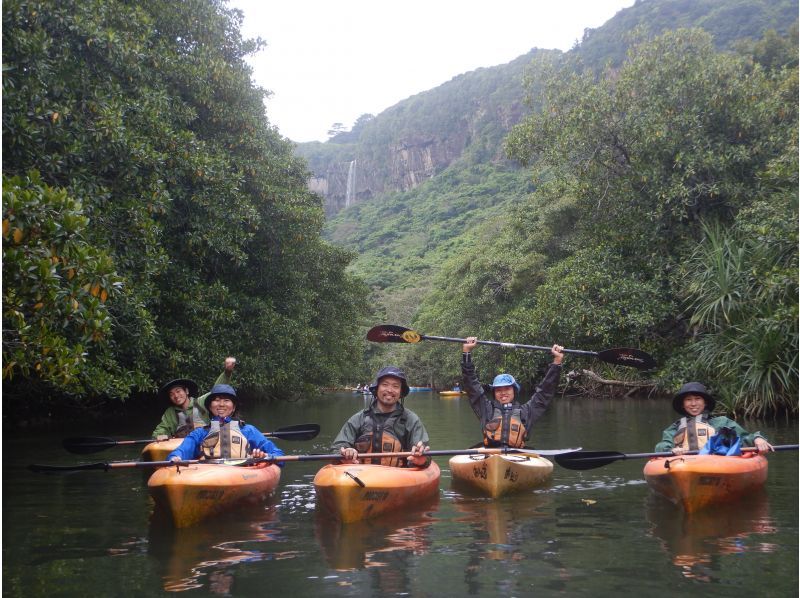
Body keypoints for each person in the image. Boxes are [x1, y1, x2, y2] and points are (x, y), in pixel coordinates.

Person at [461, 337, 564, 448]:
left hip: (517, 455)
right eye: (499, 390)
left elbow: (544, 392)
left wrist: (557, 361)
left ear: (514, 391)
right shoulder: (487, 409)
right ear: (494, 393)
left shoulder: (526, 412)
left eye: (507, 389)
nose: (503, 393)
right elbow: (472, 386)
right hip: (491, 453)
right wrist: (467, 352)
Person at [332, 366, 431, 467]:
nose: (389, 390)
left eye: (395, 386)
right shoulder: (359, 418)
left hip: (399, 478)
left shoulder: (410, 419)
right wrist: (346, 452)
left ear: (401, 392)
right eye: (385, 385)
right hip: (361, 476)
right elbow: (337, 448)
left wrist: (421, 457)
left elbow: (425, 456)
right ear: (376, 388)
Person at [167, 383, 285, 463]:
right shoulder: (200, 433)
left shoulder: (247, 430)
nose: (221, 404)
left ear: (233, 408)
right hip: (209, 475)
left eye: (226, 400)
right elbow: (182, 450)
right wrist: (175, 457)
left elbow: (278, 453)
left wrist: (265, 456)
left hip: (241, 474)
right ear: (210, 407)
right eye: (217, 400)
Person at [655, 382, 773, 454]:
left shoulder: (722, 422)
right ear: (683, 404)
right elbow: (661, 446)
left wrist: (757, 438)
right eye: (688, 400)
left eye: (697, 399)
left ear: (705, 403)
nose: (693, 404)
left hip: (717, 463)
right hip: (684, 464)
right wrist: (671, 450)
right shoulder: (676, 427)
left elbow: (745, 438)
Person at [152, 357, 238, 440]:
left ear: (186, 391)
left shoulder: (201, 402)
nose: (176, 396)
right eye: (171, 394)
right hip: (182, 446)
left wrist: (227, 372)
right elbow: (162, 428)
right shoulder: (170, 412)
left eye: (178, 391)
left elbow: (216, 389)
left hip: (205, 443)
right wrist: (160, 435)